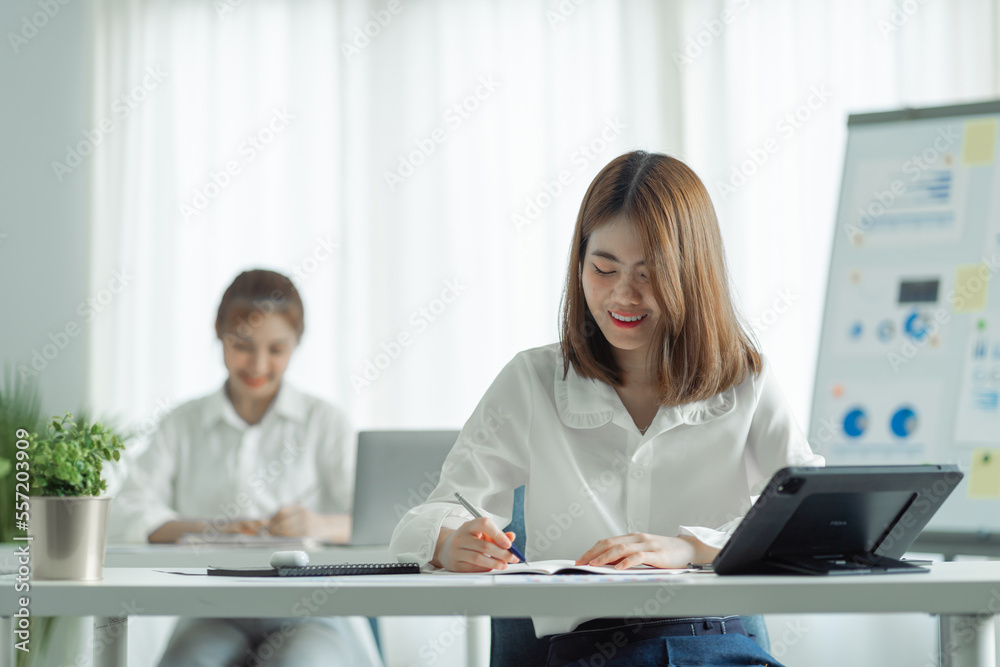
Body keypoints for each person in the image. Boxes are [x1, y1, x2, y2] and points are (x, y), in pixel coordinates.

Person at [389, 151, 824, 667]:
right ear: (580, 266)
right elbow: (423, 519)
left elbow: (812, 521)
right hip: (584, 650)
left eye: (650, 273)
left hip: (714, 644)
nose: (623, 294)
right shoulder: (532, 381)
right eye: (603, 268)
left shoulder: (745, 380)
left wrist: (688, 549)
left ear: (693, 271)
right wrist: (447, 542)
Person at [111, 269, 382, 667]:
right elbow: (127, 511)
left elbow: (374, 521)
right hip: (212, 609)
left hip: (308, 611)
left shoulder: (324, 421)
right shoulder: (182, 423)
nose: (257, 364)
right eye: (242, 345)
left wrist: (315, 526)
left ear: (296, 345)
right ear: (219, 335)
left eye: (276, 349)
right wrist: (207, 528)